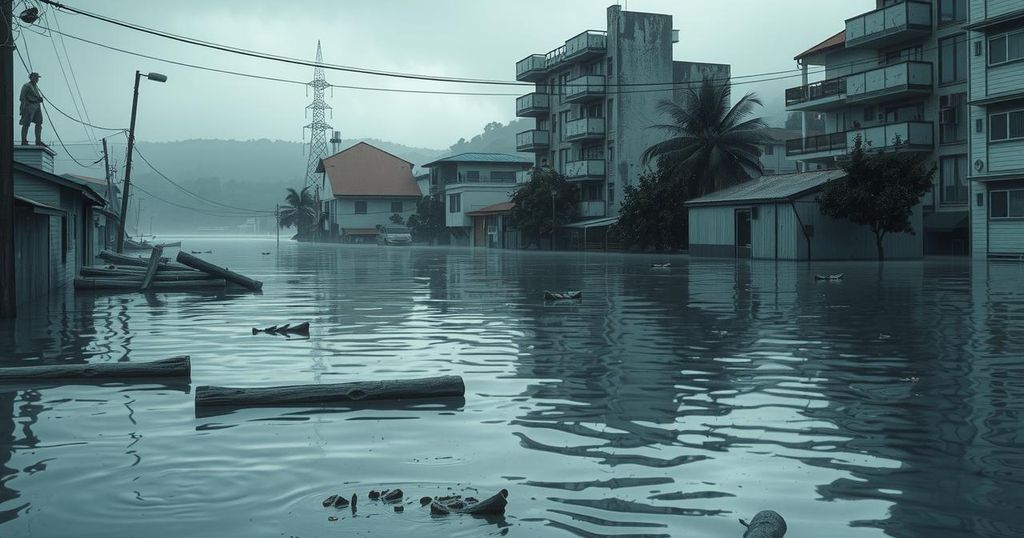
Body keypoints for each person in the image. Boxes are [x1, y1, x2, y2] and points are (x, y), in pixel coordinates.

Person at [20, 72, 45, 146]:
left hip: (37, 107)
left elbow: (36, 96)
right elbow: (22, 97)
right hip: (28, 107)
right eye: (35, 77)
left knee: (39, 122)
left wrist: (39, 99)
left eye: (37, 78)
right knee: (26, 123)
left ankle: (38, 141)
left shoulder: (36, 87)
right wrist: (23, 107)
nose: (37, 79)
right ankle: (24, 140)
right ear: (31, 78)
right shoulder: (26, 86)